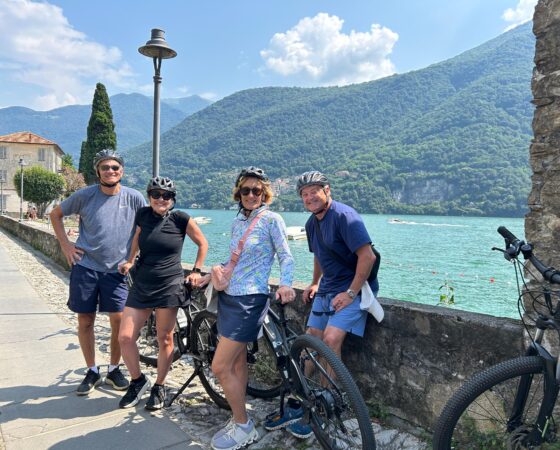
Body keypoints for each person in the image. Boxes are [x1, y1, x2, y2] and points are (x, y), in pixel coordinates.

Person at [264, 170, 378, 438]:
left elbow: (368, 257)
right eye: (304, 194)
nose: (309, 196)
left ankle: (330, 401)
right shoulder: (311, 223)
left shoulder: (345, 217)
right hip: (327, 289)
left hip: (353, 289)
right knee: (310, 338)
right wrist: (315, 283)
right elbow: (320, 256)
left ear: (327, 191)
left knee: (330, 337)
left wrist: (350, 293)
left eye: (314, 190)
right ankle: (301, 395)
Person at [205, 166, 296, 450]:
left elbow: (286, 256)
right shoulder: (237, 222)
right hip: (230, 297)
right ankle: (238, 415)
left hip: (251, 300)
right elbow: (236, 260)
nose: (252, 195)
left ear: (265, 193)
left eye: (257, 190)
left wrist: (285, 284)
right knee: (236, 362)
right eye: (246, 190)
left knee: (219, 366)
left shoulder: (271, 220)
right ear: (239, 193)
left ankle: (245, 427)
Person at [50, 150, 146, 395]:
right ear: (98, 171)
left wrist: (134, 258)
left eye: (115, 167)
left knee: (118, 321)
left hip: (117, 270)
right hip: (86, 267)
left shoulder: (134, 198)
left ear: (121, 171)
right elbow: (56, 214)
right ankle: (92, 370)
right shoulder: (85, 195)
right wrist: (66, 246)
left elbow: (145, 228)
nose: (110, 171)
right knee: (85, 320)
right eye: (105, 167)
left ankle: (114, 368)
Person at [117, 176, 208, 410]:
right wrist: (129, 261)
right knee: (125, 337)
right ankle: (138, 382)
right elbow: (136, 239)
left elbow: (202, 243)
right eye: (156, 194)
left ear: (173, 199)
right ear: (149, 197)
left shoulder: (181, 219)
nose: (161, 199)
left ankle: (160, 385)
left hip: (169, 284)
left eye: (166, 195)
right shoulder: (144, 215)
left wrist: (196, 270)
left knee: (164, 337)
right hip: (142, 282)